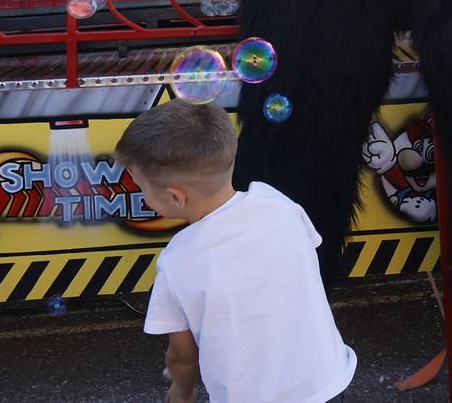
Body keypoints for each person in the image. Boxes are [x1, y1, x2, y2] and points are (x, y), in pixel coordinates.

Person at [116, 99, 356, 403]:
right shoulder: (278, 204)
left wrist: (181, 391)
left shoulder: (178, 259)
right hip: (327, 383)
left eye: (140, 186)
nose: (141, 193)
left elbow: (182, 357)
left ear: (176, 196)